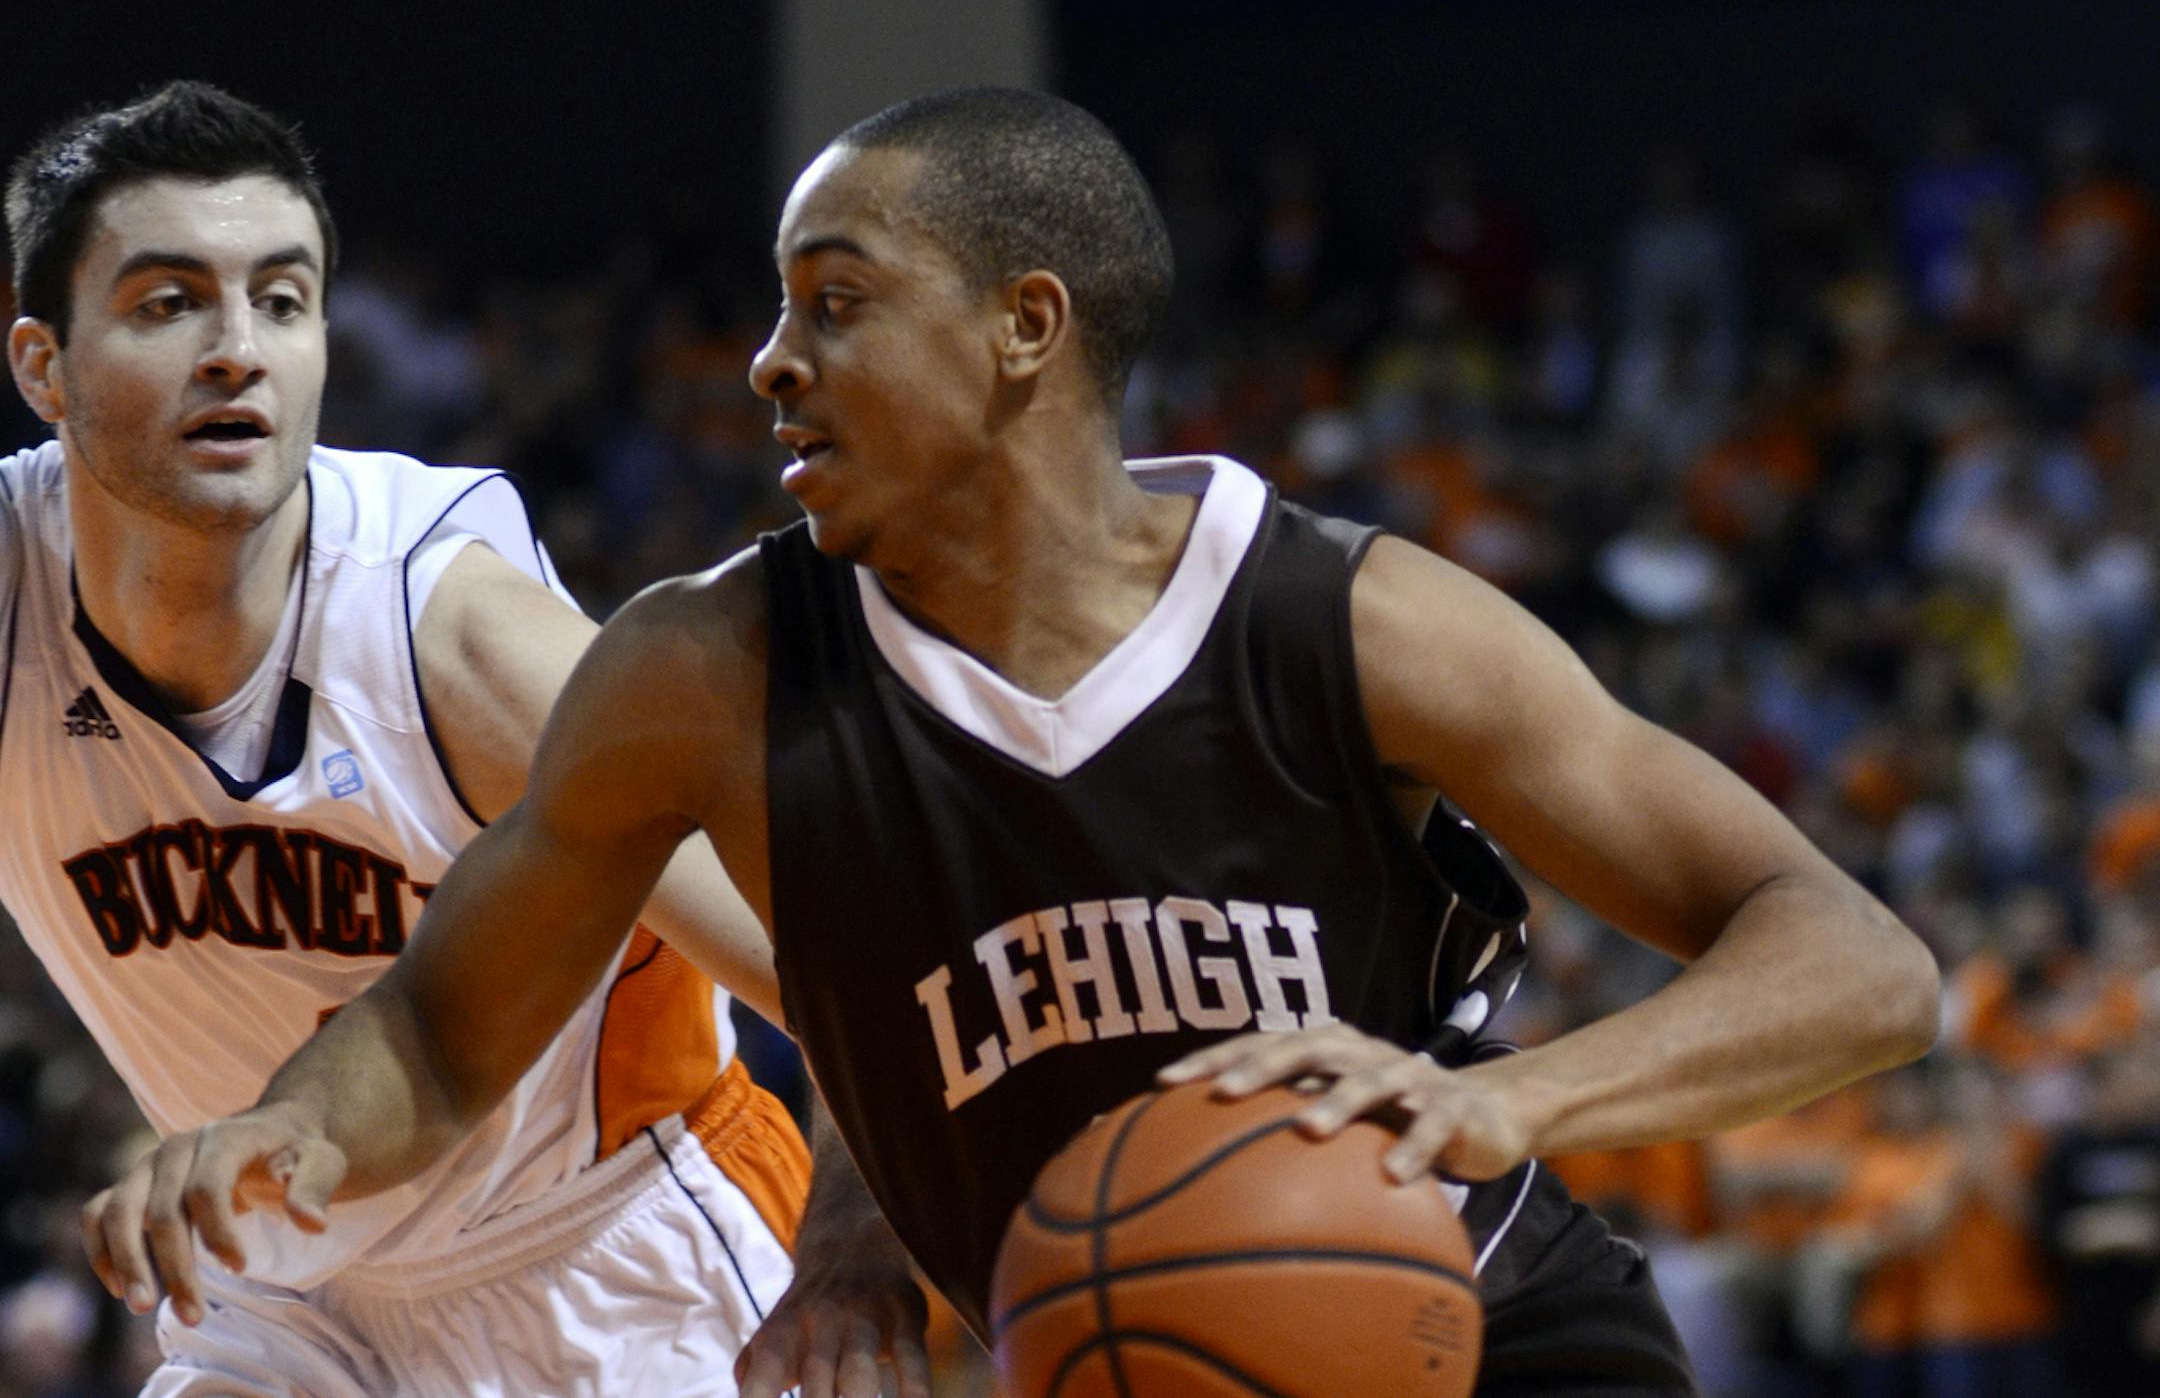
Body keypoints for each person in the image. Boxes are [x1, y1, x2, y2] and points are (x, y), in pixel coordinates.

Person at [99, 88, 1942, 1397]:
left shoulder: (1347, 622)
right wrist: (272, 1137)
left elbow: (1858, 961)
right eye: (774, 308)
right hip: (1092, 1356)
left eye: (835, 302)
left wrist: (1514, 1102)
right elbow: (440, 1020)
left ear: (1021, 332)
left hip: (1475, 1338)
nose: (766, 361)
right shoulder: (705, 672)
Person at [0, 80, 843, 1396]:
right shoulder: (10, 601)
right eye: (169, 305)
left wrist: (866, 1219)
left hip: (610, 1251)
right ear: (42, 365)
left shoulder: (450, 633)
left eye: (280, 301)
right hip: (281, 1293)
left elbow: (853, 967)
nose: (238, 350)